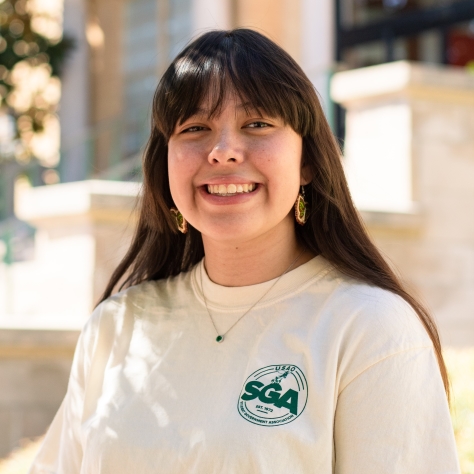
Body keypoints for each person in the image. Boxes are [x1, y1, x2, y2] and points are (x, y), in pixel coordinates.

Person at [30, 29, 460, 473]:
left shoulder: (370, 328)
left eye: (257, 124)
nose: (223, 152)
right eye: (195, 128)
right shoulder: (116, 327)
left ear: (307, 161)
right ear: (165, 165)